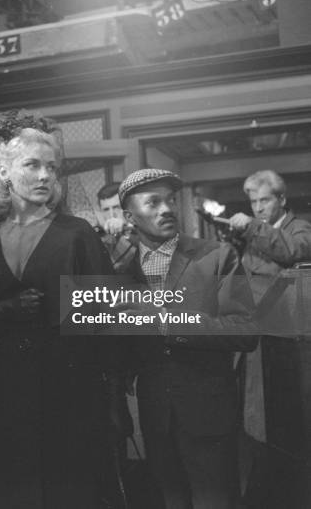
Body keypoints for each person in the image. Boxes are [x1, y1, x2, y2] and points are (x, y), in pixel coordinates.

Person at [0, 109, 122, 509]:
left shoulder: (77, 236)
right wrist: (2, 312)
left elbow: (109, 325)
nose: (45, 176)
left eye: (52, 168)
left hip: (74, 399)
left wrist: (113, 406)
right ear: (3, 171)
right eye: (33, 165)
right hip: (6, 399)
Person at [119, 168, 257, 509]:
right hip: (154, 414)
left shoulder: (217, 255)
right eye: (153, 202)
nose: (166, 209)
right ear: (129, 216)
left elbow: (245, 329)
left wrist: (169, 322)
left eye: (170, 201)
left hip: (207, 410)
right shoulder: (118, 267)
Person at [228, 170, 311, 506]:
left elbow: (294, 251)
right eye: (253, 202)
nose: (258, 207)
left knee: (288, 423)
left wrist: (249, 227)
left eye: (265, 200)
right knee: (258, 423)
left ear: (282, 200)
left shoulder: (298, 227)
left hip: (292, 345)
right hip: (260, 339)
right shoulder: (255, 235)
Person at [96, 183, 137, 272]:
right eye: (106, 209)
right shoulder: (100, 237)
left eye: (116, 207)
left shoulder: (143, 229)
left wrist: (125, 229)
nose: (111, 214)